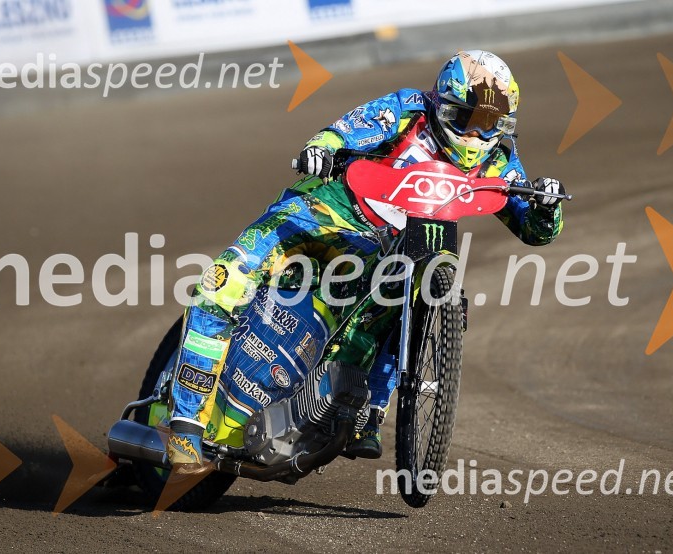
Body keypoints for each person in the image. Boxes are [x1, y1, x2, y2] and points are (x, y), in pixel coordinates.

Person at [167, 50, 565, 473]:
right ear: (442, 104)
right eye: (464, 117)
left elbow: (535, 228)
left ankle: (365, 409)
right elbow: (345, 129)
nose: (473, 133)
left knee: (402, 292)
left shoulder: (499, 158)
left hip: (384, 249)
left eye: (486, 123)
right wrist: (324, 147)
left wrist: (547, 205)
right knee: (224, 279)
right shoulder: (408, 109)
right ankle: (185, 423)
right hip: (322, 214)